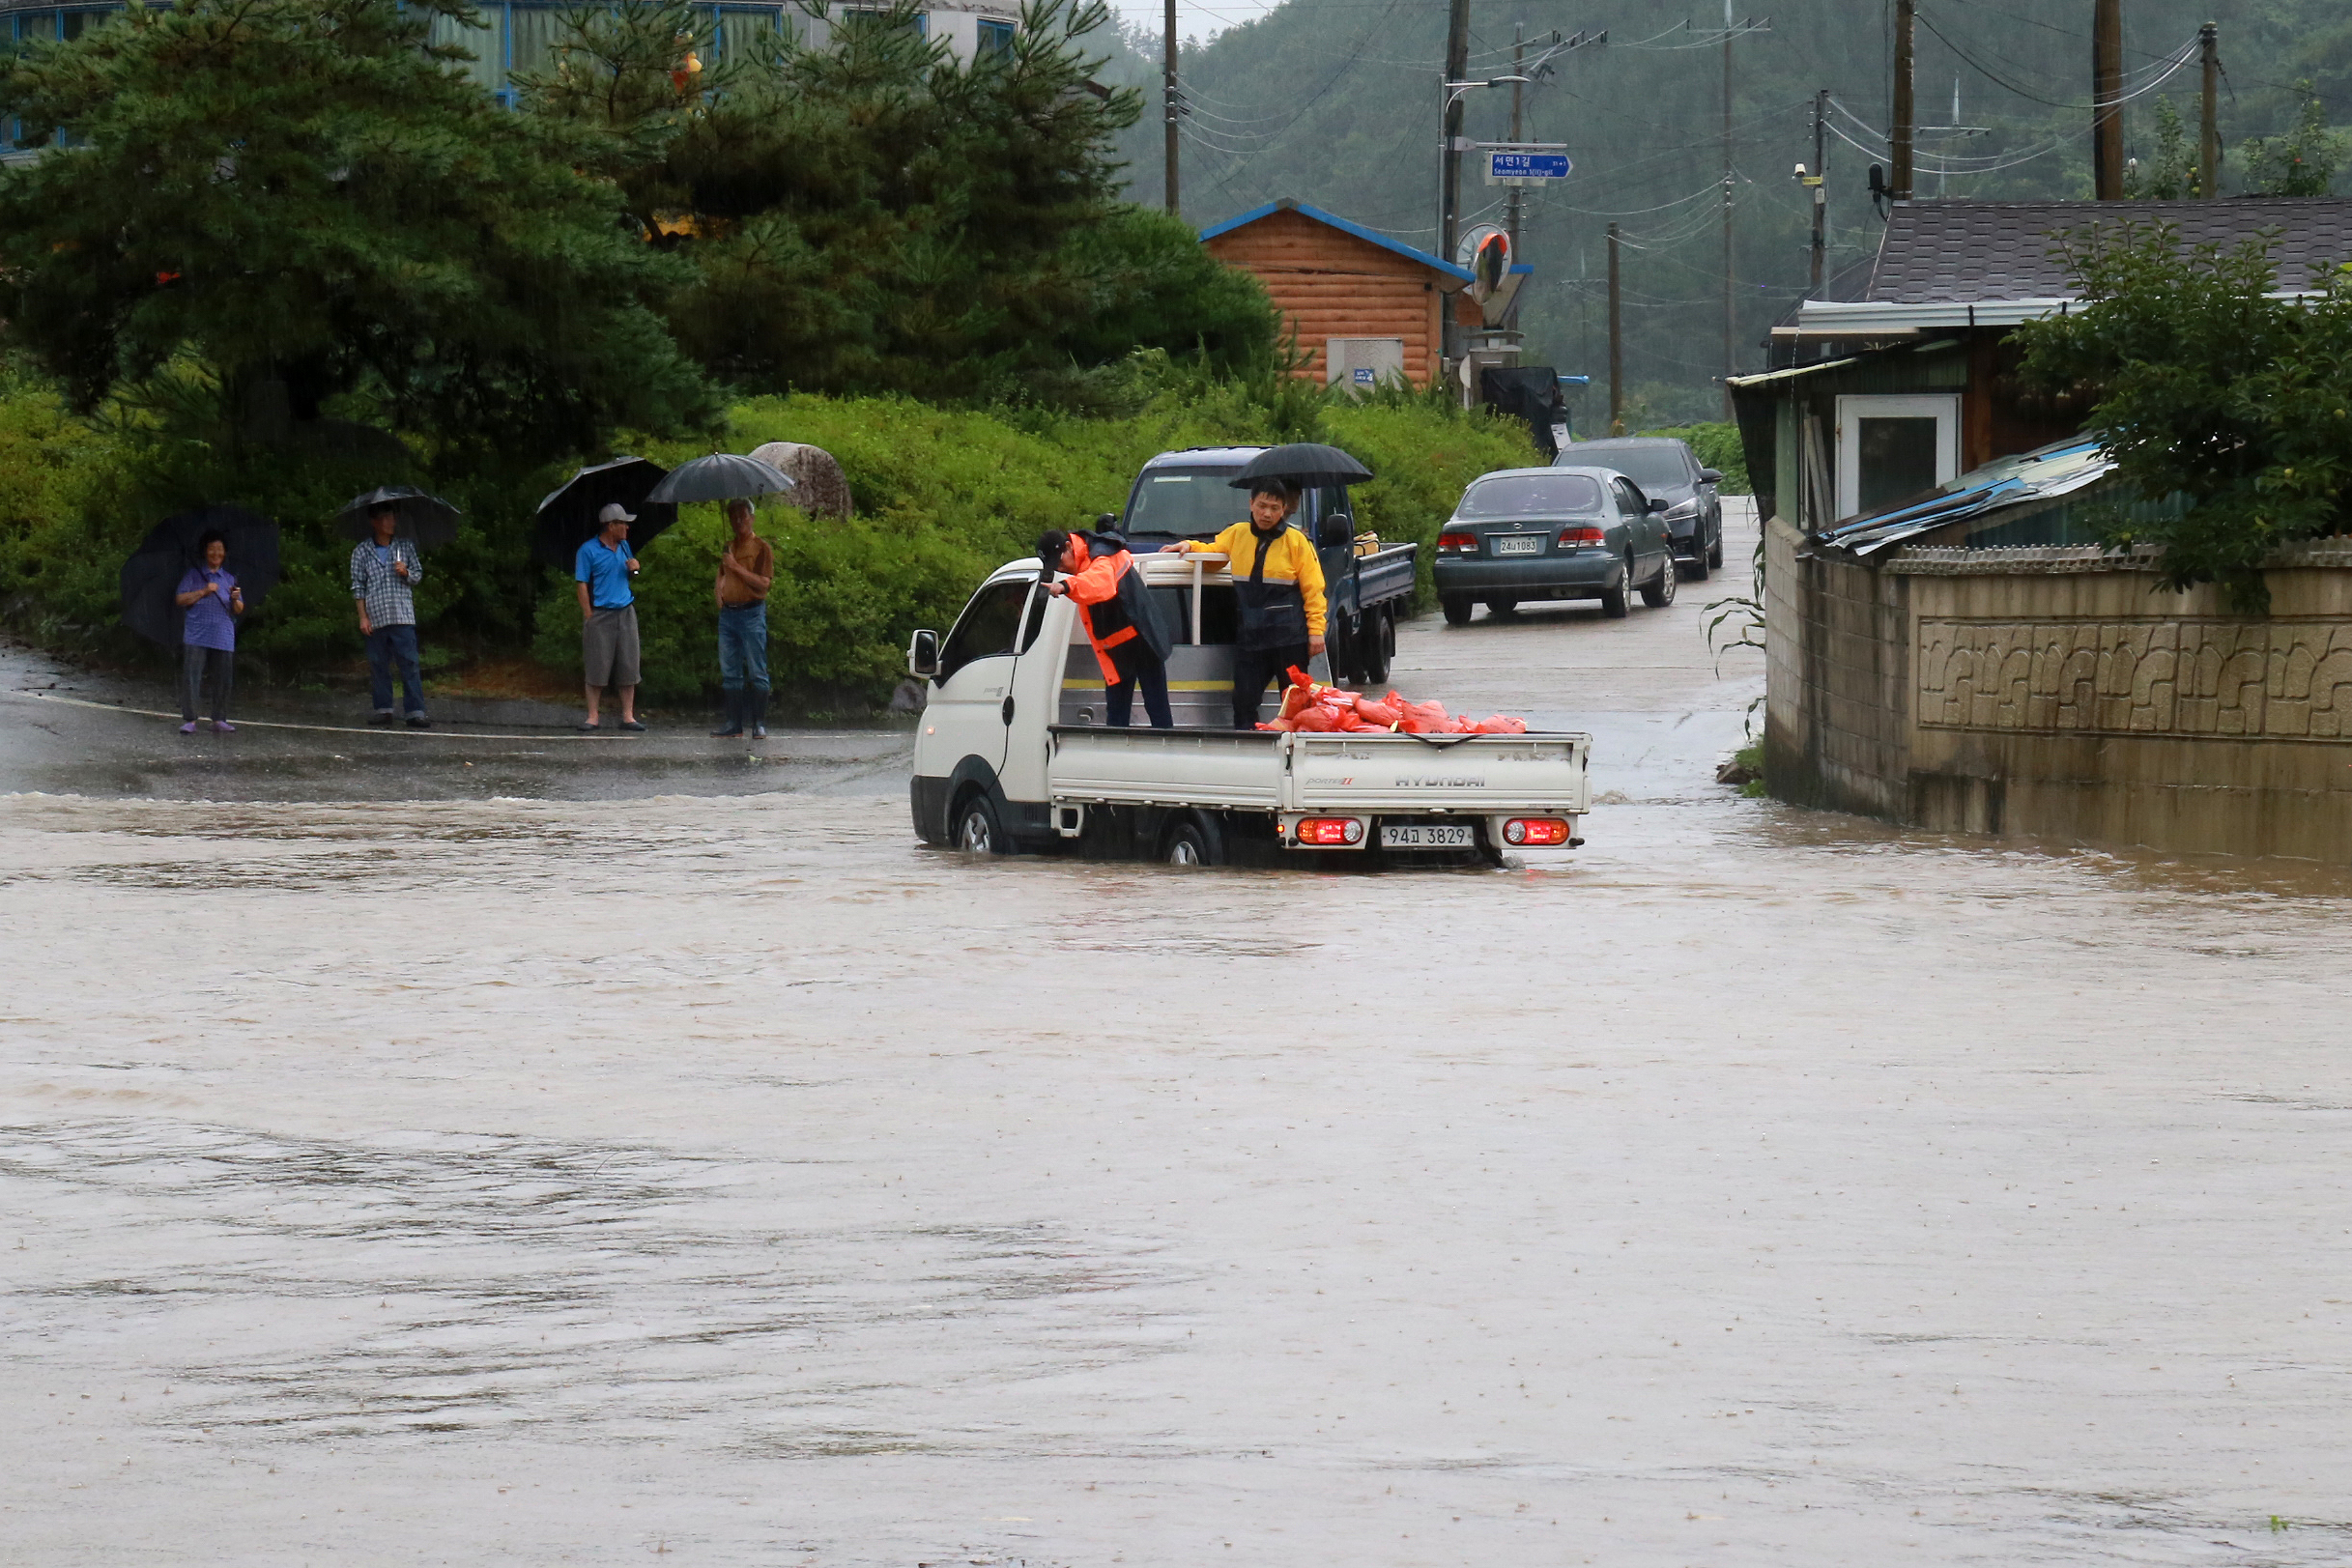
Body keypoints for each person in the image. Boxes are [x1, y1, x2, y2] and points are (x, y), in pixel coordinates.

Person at [1161, 478, 1327, 728]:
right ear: (1251, 504)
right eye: (1262, 506)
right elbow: (1214, 554)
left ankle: (1294, 754)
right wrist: (1189, 546)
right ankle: (1250, 750)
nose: (1267, 513)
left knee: (1295, 703)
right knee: (1243, 701)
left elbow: (1314, 589)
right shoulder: (1237, 533)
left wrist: (1316, 632)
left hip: (1289, 638)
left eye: (1274, 508)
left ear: (1283, 510)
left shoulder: (1296, 541)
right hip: (1252, 638)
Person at [1039, 527, 1172, 729]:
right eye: (1056, 568)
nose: (1062, 569)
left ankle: (1168, 757)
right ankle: (1117, 758)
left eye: (1060, 562)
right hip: (1118, 650)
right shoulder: (1090, 559)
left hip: (1144, 641)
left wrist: (1067, 586)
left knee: (1156, 710)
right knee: (1117, 719)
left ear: (1068, 546)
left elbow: (1101, 584)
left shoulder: (1101, 555)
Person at [349, 502, 430, 729]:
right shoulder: (361, 552)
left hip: (402, 615)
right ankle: (383, 709)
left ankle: (415, 711)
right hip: (376, 616)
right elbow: (358, 587)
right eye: (385, 518)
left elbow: (418, 576)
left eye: (393, 517)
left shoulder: (405, 547)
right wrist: (363, 617)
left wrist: (406, 572)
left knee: (409, 664)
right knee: (379, 665)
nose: (391, 522)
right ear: (375, 522)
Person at [576, 501, 645, 732]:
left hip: (625, 611)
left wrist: (635, 568)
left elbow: (632, 574)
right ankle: (593, 716)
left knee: (629, 664)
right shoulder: (588, 550)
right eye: (623, 524)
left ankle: (628, 716)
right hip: (601, 613)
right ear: (610, 525)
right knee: (597, 664)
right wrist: (588, 615)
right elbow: (582, 584)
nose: (627, 528)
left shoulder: (625, 547)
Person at [710, 499, 774, 739]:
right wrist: (719, 594)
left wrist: (736, 567)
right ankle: (733, 723)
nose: (738, 522)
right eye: (734, 518)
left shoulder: (761, 548)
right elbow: (721, 574)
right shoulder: (729, 547)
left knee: (757, 670)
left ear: (752, 518)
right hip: (728, 615)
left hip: (751, 613)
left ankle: (758, 723)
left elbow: (763, 584)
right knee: (730, 670)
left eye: (742, 517)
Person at [174, 530, 243, 733]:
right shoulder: (193, 575)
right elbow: (180, 599)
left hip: (223, 636)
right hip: (197, 635)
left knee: (223, 680)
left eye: (219, 549)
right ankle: (190, 719)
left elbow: (238, 609)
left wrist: (235, 598)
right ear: (205, 552)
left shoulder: (230, 579)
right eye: (212, 549)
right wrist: (204, 591)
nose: (216, 553)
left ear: (224, 554)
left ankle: (219, 719)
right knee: (192, 678)